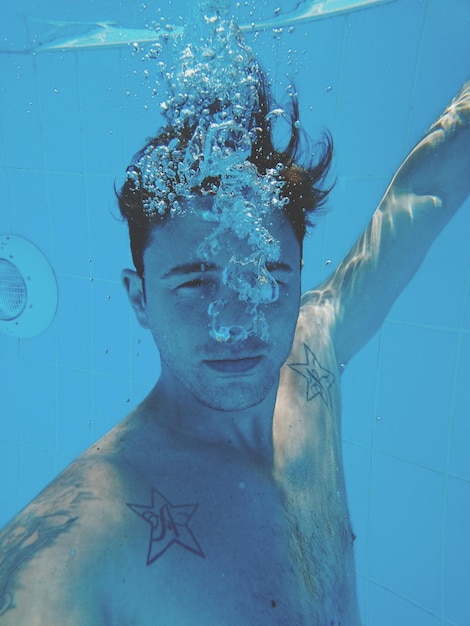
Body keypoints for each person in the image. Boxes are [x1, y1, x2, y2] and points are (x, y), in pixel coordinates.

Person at [0, 6, 468, 625]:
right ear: (138, 297)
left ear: (301, 275)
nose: (237, 322)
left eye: (268, 277)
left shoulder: (313, 349)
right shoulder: (88, 533)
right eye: (195, 281)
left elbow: (423, 196)